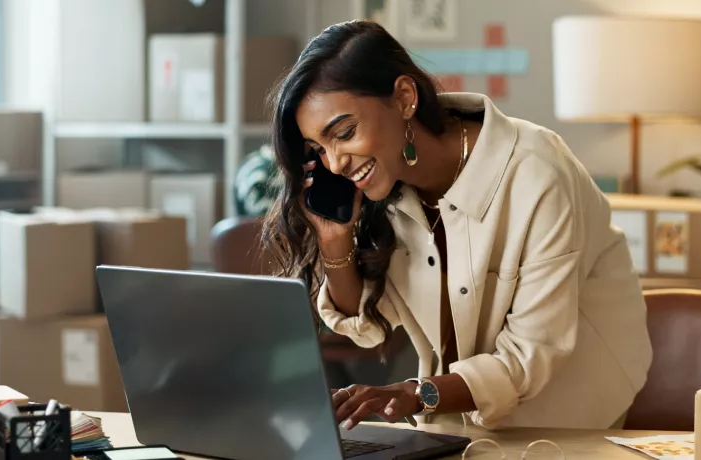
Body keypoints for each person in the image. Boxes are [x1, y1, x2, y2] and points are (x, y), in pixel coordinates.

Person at [261, 20, 653, 430]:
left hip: (567, 422)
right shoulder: (386, 188)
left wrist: (412, 394)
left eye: (344, 133)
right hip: (456, 421)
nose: (335, 163)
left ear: (404, 98)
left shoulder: (536, 172)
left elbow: (530, 356)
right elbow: (367, 330)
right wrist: (334, 241)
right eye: (319, 149)